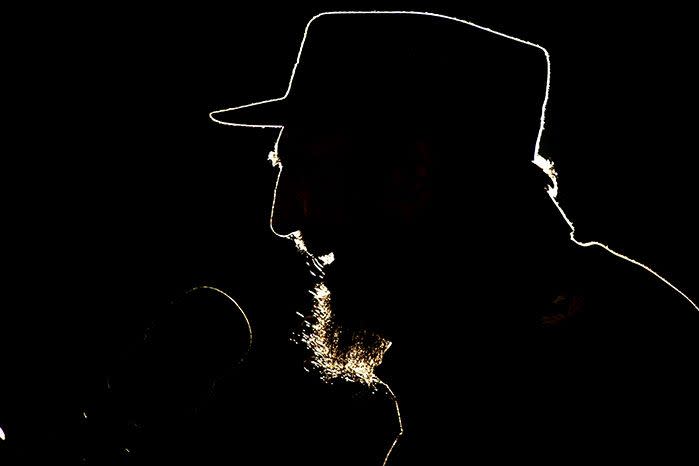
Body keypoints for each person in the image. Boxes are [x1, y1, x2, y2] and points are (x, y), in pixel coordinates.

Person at [211, 12, 699, 464]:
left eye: (308, 170)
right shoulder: (480, 342)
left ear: (414, 171)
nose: (283, 216)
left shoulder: (578, 361)